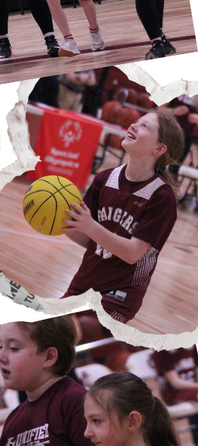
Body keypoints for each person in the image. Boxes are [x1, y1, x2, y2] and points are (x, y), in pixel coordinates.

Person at [61, 108, 184, 324]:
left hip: (119, 296)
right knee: (42, 329)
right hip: (84, 284)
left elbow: (132, 253)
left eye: (145, 126)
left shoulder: (161, 196)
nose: (134, 125)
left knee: (80, 333)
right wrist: (60, 222)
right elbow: (90, 240)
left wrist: (88, 225)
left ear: (159, 148)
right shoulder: (105, 178)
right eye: (137, 121)